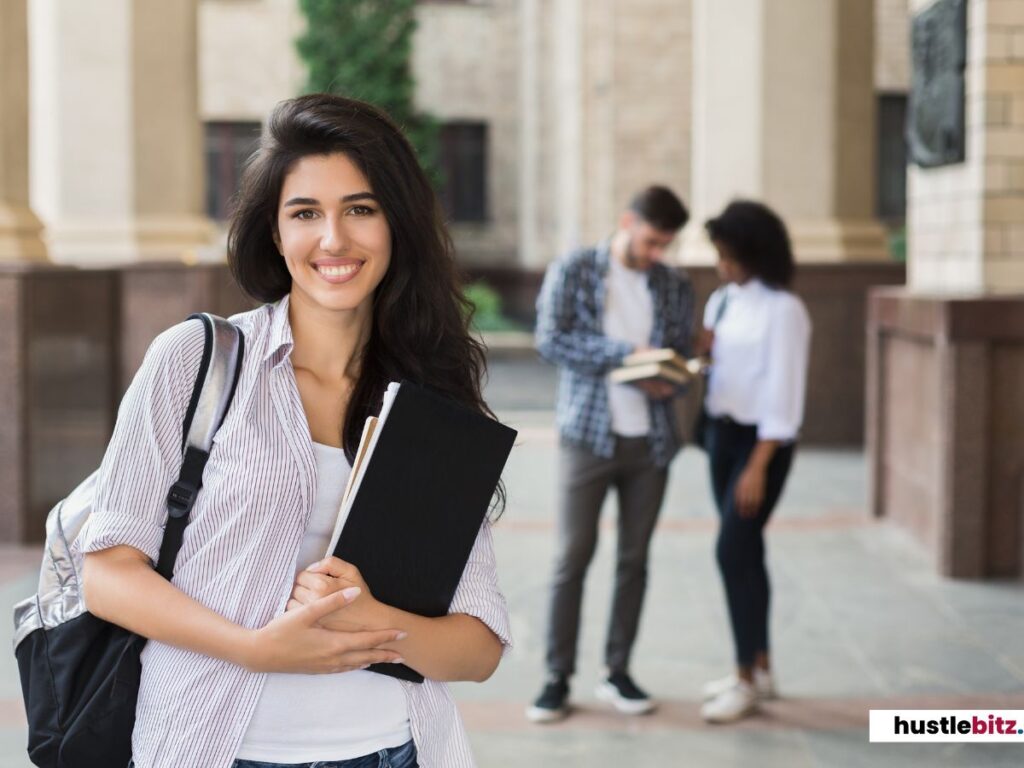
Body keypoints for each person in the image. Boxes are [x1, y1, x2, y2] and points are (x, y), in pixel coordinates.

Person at [79, 94, 511, 768]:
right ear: (274, 235)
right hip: (210, 747)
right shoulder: (197, 362)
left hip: (392, 750)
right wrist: (256, 648)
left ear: (397, 226)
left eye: (360, 210)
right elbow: (106, 574)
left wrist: (373, 618)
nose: (333, 239)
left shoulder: (432, 398)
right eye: (305, 213)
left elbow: (477, 648)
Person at [527, 186, 694, 723]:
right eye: (650, 241)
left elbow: (683, 352)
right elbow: (551, 339)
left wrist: (672, 377)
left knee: (634, 561)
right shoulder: (575, 269)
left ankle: (617, 671)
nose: (655, 254)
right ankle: (556, 677)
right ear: (627, 222)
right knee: (571, 558)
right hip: (588, 436)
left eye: (664, 245)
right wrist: (627, 356)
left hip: (653, 441)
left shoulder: (673, 284)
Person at [697, 200, 811, 723]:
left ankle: (745, 679)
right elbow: (718, 372)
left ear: (755, 253)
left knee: (731, 552)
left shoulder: (784, 310)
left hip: (760, 449)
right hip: (721, 439)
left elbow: (783, 398)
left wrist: (758, 465)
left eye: (729, 255)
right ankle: (760, 670)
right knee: (747, 555)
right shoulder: (721, 302)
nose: (722, 265)